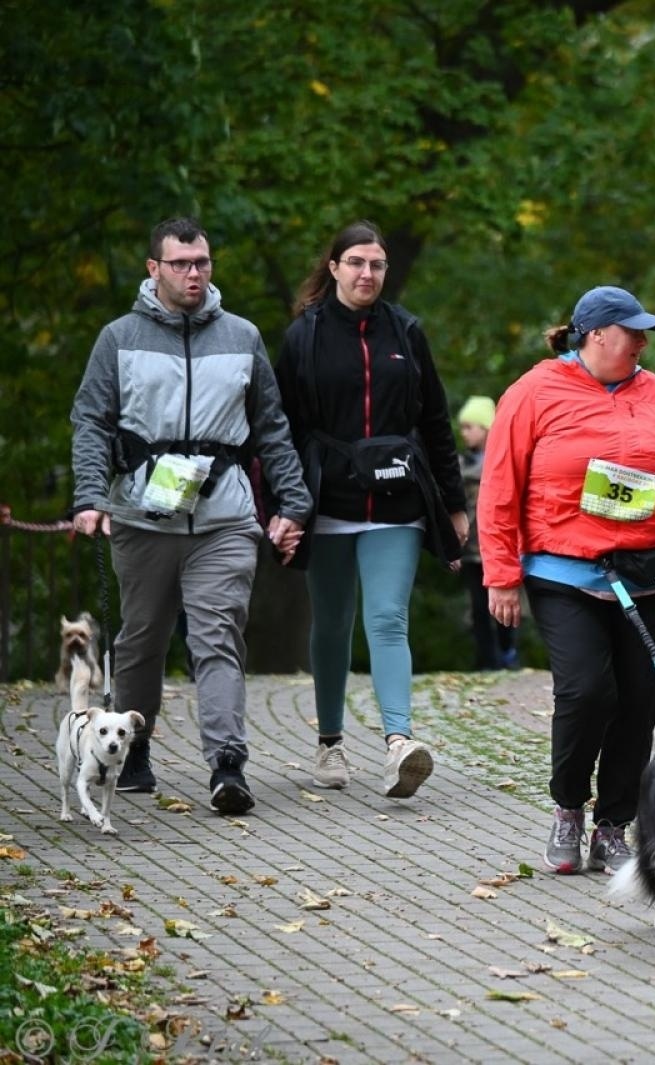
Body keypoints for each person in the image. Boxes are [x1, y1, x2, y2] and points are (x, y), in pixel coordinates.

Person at [478, 285, 655, 875]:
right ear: (596, 335)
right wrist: (501, 575)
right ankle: (568, 809)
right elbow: (500, 488)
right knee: (585, 692)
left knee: (636, 703)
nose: (642, 342)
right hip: (565, 572)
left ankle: (612, 826)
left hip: (650, 574)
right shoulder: (534, 393)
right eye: (632, 331)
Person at [69, 216, 312, 814]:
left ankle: (227, 766)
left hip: (223, 515)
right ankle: (136, 746)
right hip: (142, 515)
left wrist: (292, 503)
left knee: (218, 637)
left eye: (202, 261)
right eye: (181, 263)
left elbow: (271, 429)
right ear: (155, 269)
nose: (194, 272)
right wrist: (89, 496)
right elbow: (91, 421)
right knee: (142, 640)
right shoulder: (118, 338)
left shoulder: (241, 337)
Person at [275, 220, 468, 800]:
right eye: (356, 262)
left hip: (396, 499)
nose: (367, 274)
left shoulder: (405, 331)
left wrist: (455, 506)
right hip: (327, 501)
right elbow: (280, 426)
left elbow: (435, 420)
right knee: (332, 623)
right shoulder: (304, 335)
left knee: (387, 618)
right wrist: (286, 506)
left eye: (377, 265)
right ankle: (330, 742)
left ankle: (398, 743)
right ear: (333, 267)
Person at [457, 395, 519, 670]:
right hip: (472, 549)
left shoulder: (506, 460)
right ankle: (488, 661)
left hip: (501, 548)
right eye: (463, 427)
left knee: (505, 607)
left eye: (471, 426)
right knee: (479, 608)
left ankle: (507, 653)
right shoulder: (458, 465)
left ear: (487, 428)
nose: (465, 432)